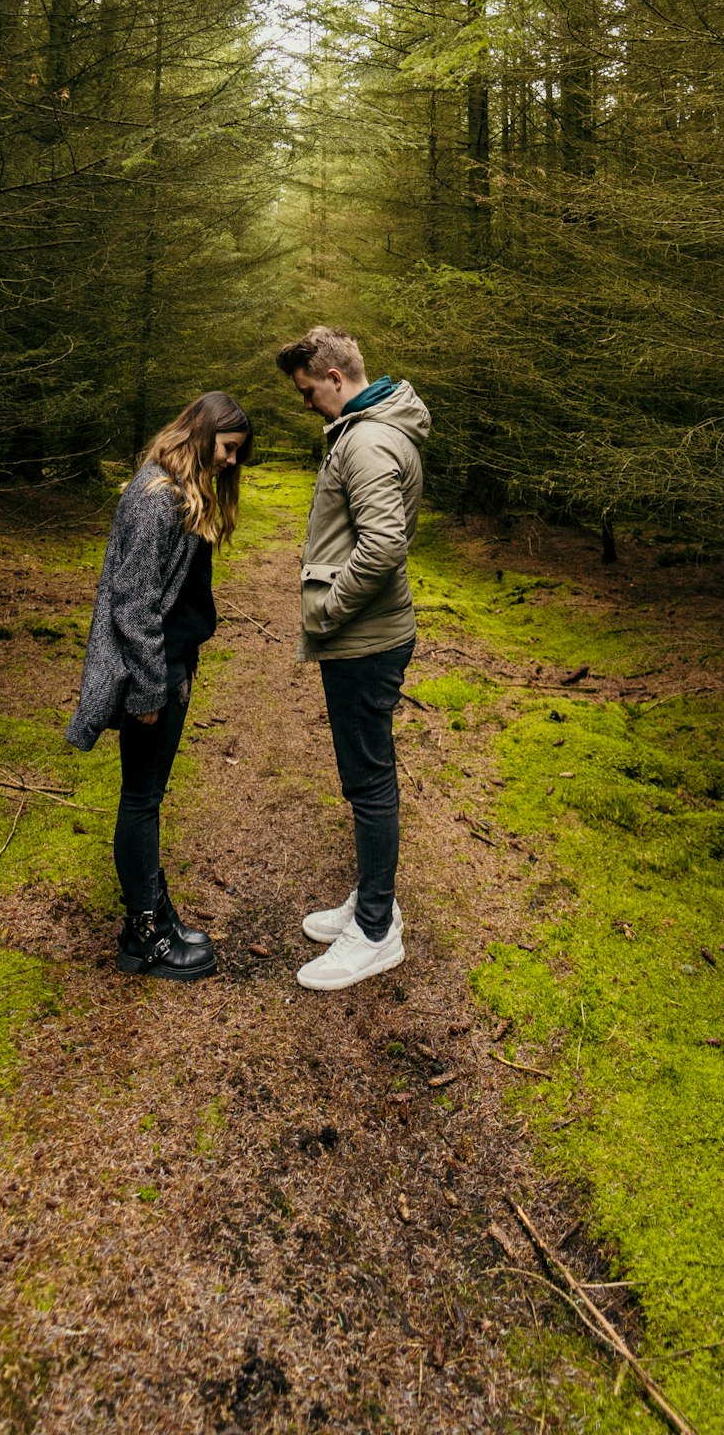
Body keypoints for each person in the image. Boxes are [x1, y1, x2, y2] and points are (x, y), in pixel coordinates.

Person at [64, 391, 253, 980]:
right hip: (156, 671)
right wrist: (148, 690)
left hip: (173, 665)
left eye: (237, 454)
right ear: (201, 435)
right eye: (227, 448)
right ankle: (145, 937)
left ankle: (156, 917)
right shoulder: (157, 499)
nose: (230, 461)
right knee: (141, 800)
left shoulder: (175, 491)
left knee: (148, 797)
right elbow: (133, 605)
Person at [276, 326, 430, 991]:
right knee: (365, 780)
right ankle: (372, 901)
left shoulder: (366, 440)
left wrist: (331, 609)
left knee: (368, 785)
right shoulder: (376, 428)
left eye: (309, 391)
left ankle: (375, 933)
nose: (307, 403)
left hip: (365, 639)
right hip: (369, 636)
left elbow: (384, 543)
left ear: (336, 379)